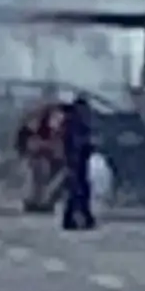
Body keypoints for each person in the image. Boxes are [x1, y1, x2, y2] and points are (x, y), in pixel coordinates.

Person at [61, 96, 96, 231]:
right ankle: (79, 218)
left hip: (77, 161)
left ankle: (76, 218)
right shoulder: (77, 124)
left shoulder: (73, 123)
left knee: (77, 190)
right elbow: (78, 143)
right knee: (78, 190)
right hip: (77, 161)